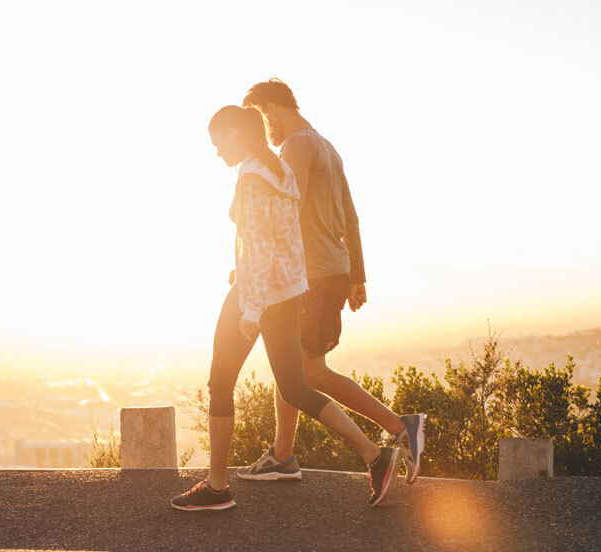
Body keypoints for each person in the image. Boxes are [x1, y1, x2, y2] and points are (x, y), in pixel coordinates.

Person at [171, 105, 400, 511]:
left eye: (217, 142)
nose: (217, 152)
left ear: (234, 135)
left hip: (254, 295)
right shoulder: (281, 173)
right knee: (295, 385)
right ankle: (374, 455)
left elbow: (259, 248)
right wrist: (287, 290)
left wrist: (251, 310)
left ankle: (217, 488)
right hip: (288, 292)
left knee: (221, 385)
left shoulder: (252, 179)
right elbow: (289, 240)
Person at [239, 78, 425, 484]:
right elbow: (351, 218)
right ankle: (283, 455)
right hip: (330, 271)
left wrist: (254, 263)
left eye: (258, 116)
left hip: (312, 275)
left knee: (309, 373)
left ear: (270, 108)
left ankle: (399, 428)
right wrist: (356, 276)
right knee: (291, 368)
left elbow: (284, 215)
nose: (261, 128)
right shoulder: (327, 146)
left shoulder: (294, 148)